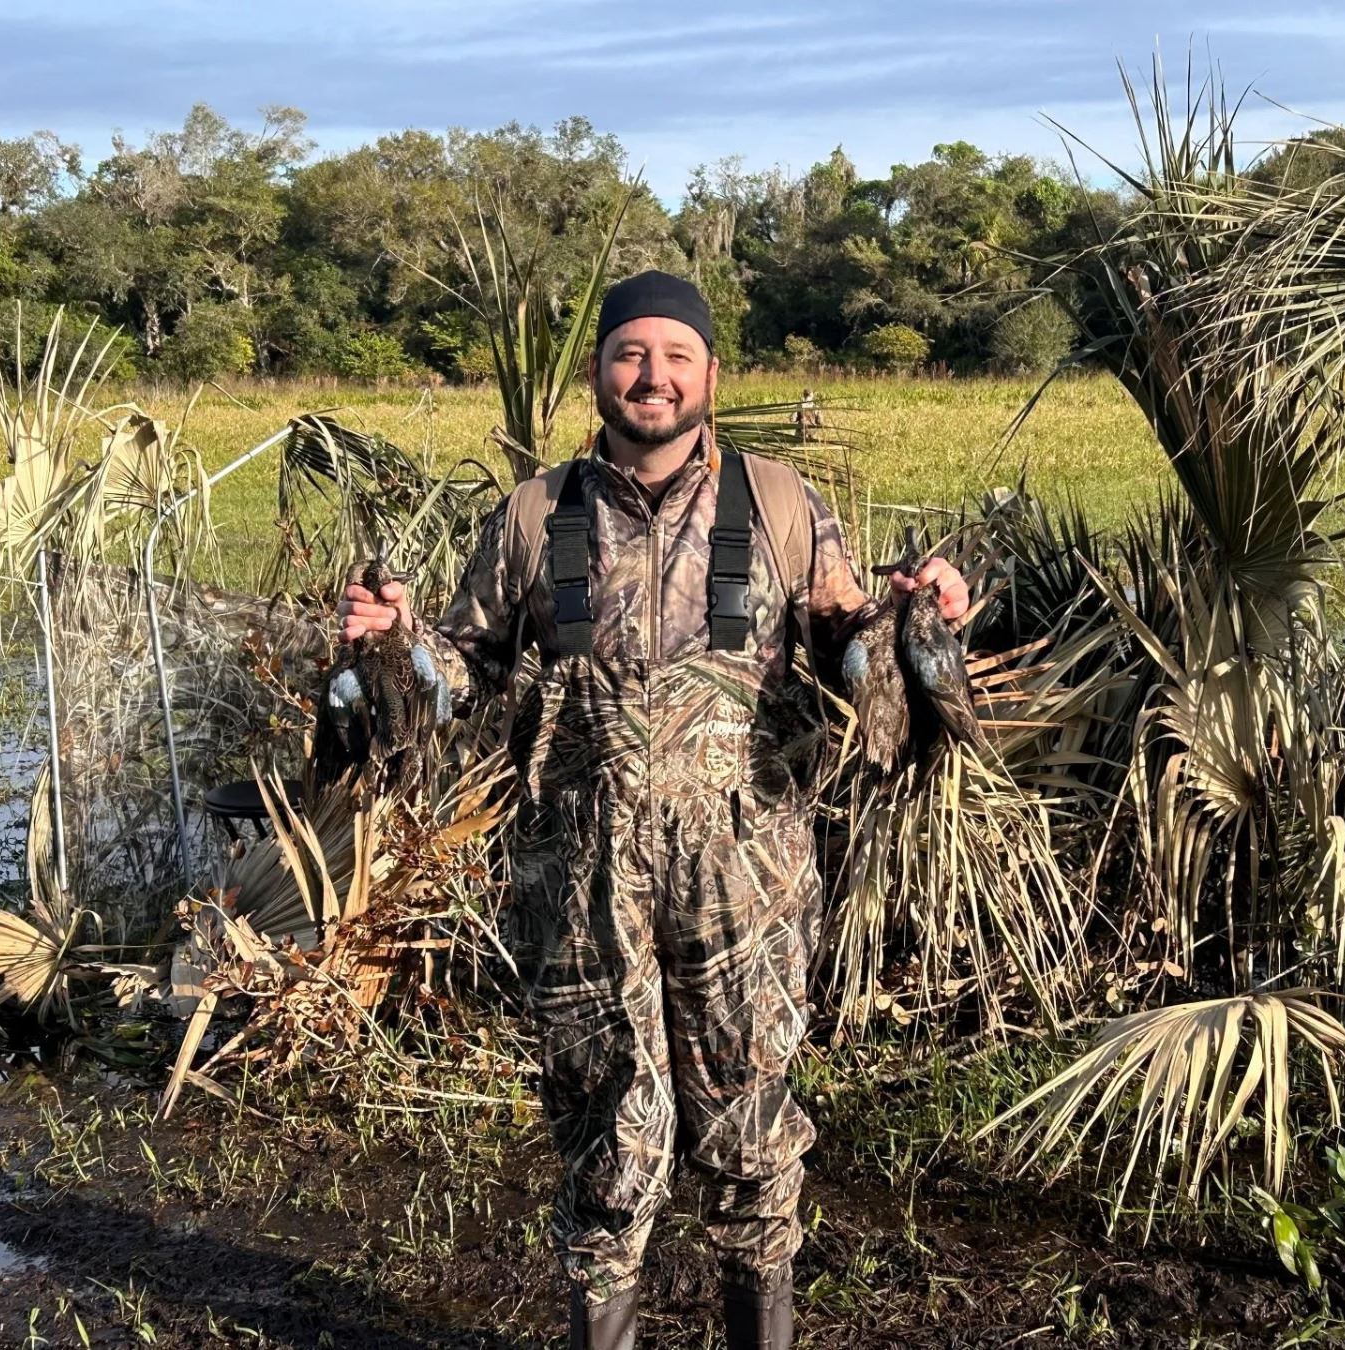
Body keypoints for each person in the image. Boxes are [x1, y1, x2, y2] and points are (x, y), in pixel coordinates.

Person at [338, 270, 967, 1349]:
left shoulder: (779, 502)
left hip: (746, 880)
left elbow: (852, 646)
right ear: (599, 371)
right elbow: (465, 672)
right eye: (631, 353)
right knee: (607, 1141)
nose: (653, 376)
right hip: (582, 885)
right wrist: (395, 638)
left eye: (677, 355)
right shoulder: (535, 512)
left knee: (751, 1139)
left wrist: (921, 609)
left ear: (710, 373)